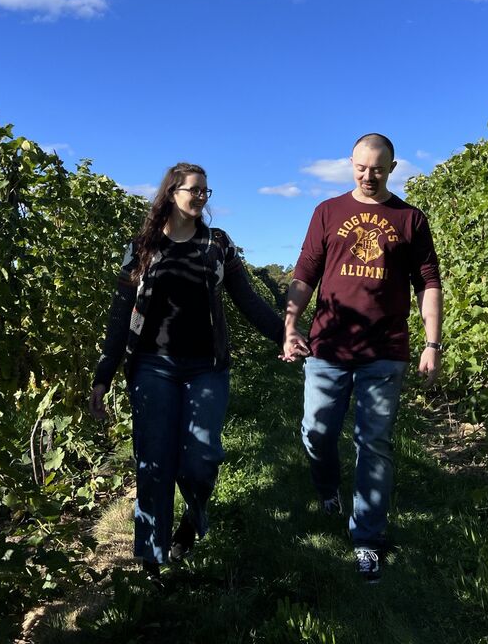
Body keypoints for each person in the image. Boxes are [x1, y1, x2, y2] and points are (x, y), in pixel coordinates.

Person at [89, 162, 285, 583]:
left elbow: (248, 300)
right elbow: (121, 314)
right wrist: (104, 373)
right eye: (193, 190)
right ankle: (152, 560)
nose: (200, 197)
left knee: (201, 459)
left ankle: (191, 524)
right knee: (154, 462)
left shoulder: (217, 245)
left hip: (206, 367)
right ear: (172, 192)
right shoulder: (141, 247)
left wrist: (284, 336)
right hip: (152, 366)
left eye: (205, 192)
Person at [282, 133, 443, 583]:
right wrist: (290, 325)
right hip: (328, 345)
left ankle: (367, 539)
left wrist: (432, 343)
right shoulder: (328, 212)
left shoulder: (410, 218)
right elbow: (305, 273)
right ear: (350, 164)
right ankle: (327, 488)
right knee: (317, 432)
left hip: (385, 349)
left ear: (392, 167)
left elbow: (428, 282)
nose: (368, 176)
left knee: (374, 444)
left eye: (377, 168)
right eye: (361, 167)